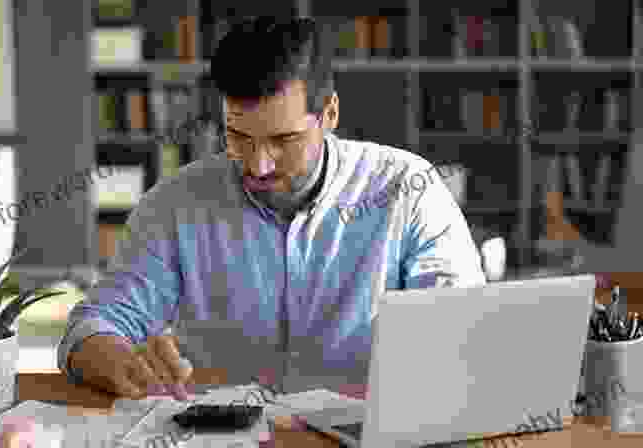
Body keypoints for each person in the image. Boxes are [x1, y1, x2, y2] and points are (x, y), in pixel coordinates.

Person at [58, 15, 486, 401]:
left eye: (283, 140)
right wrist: (121, 361)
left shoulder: (408, 191)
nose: (258, 165)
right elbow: (90, 328)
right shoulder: (174, 205)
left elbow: (463, 332)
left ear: (330, 112)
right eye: (238, 137)